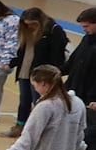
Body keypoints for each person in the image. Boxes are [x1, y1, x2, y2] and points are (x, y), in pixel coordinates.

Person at [4, 7, 69, 138]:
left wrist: (53, 73)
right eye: (26, 24)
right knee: (24, 101)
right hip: (25, 72)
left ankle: (37, 131)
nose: (29, 27)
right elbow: (23, 52)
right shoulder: (26, 31)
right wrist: (13, 62)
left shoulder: (53, 30)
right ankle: (20, 126)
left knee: (39, 103)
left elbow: (57, 54)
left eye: (33, 24)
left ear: (40, 21)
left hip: (41, 74)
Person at [65, 7, 96, 150]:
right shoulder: (87, 40)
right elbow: (74, 62)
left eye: (86, 26)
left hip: (91, 98)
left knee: (89, 133)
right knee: (75, 128)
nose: (84, 30)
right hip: (76, 91)